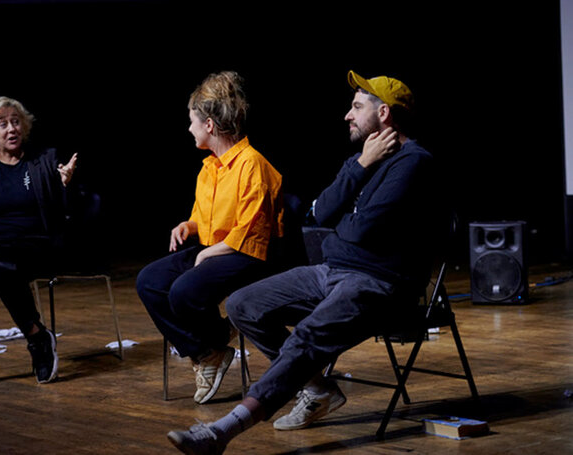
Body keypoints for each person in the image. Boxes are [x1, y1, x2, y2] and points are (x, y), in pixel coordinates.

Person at [166, 70, 440, 454]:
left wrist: (347, 217)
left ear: (385, 115)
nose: (348, 114)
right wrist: (360, 165)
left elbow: (360, 230)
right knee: (245, 304)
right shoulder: (364, 159)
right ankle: (317, 388)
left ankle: (222, 431)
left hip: (379, 283)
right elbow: (320, 214)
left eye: (357, 107)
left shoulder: (413, 163)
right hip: (333, 271)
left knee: (308, 336)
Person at [136, 71, 284, 404]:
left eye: (192, 121)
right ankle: (208, 351)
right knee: (149, 281)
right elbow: (206, 219)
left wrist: (210, 252)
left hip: (250, 256)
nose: (188, 128)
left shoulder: (252, 165)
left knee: (185, 290)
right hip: (218, 249)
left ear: (209, 126)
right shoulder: (210, 168)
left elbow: (251, 232)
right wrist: (189, 226)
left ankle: (214, 341)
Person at [0, 96, 78, 388]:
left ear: (25, 126)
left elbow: (67, 212)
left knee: (1, 268)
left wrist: (65, 186)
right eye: (2, 123)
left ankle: (37, 339)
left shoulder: (44, 160)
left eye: (16, 121)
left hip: (39, 245)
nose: (11, 128)